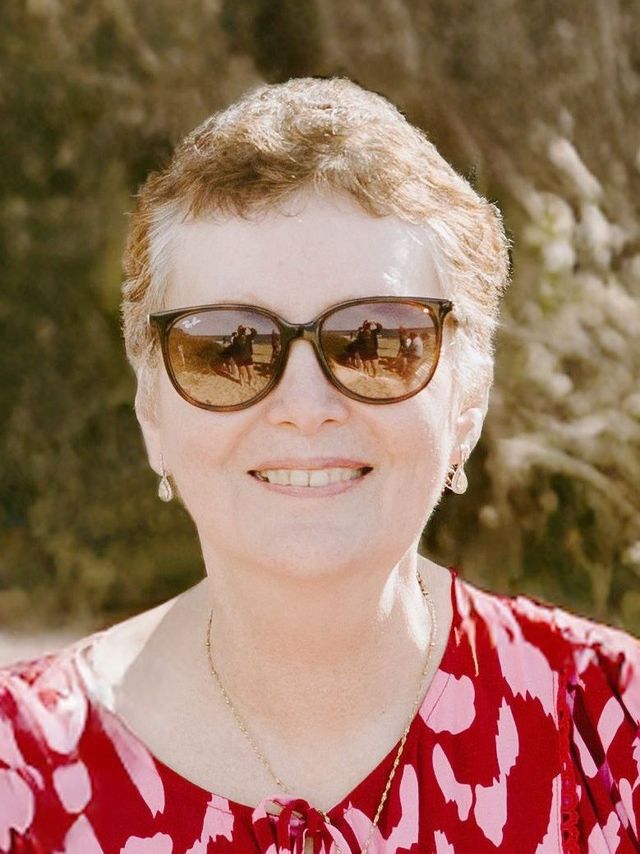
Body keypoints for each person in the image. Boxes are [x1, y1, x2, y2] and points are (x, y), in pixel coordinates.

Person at [1, 77, 638, 853]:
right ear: (152, 413)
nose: (305, 406)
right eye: (226, 348)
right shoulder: (21, 777)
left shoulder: (611, 738)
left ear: (467, 401)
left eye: (378, 340)